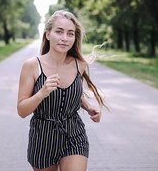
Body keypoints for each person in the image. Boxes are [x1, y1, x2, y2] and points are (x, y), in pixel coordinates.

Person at [17, 10, 107, 171]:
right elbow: (22, 111)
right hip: (43, 137)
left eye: (70, 33)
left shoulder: (80, 64)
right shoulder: (31, 66)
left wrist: (88, 107)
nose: (65, 38)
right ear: (47, 35)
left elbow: (73, 93)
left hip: (74, 133)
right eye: (59, 32)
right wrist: (42, 92)